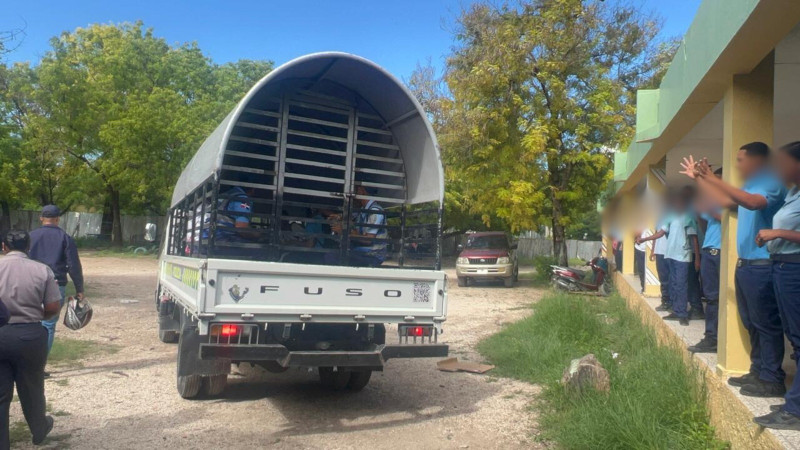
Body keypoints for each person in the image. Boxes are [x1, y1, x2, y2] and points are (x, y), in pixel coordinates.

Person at [682, 142, 786, 398]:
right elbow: (724, 203)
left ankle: (772, 378)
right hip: (746, 265)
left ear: (758, 161)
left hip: (763, 265)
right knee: (751, 322)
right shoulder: (749, 186)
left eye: (741, 160)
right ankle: (758, 370)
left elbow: (752, 203)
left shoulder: (770, 182)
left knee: (765, 324)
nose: (738, 165)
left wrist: (711, 178)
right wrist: (701, 180)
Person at [752, 142, 800, 429]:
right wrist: (771, 237)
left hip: (795, 269)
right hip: (782, 265)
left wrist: (779, 231)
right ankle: (794, 402)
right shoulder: (793, 194)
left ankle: (795, 411)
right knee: (794, 338)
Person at [0, 230, 60, 448]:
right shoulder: (42, 270)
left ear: (4, 247)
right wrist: (35, 314)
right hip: (30, 335)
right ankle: (39, 428)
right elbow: (53, 307)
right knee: (33, 386)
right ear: (28, 247)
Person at [28, 205, 84, 357]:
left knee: (29, 322)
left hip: (31, 285)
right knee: (48, 324)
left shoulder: (31, 236)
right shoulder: (65, 238)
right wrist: (80, 289)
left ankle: (28, 362)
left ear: (41, 218)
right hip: (55, 285)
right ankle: (40, 365)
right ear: (58, 219)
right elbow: (73, 266)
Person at [638, 190, 700, 326]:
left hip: (683, 257)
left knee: (682, 285)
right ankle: (676, 311)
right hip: (670, 255)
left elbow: (694, 239)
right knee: (674, 284)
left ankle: (682, 314)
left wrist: (697, 259)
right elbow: (660, 233)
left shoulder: (688, 217)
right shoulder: (670, 217)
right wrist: (644, 239)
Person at [689, 169, 723, 354]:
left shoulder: (730, 200)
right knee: (711, 297)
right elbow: (706, 223)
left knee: (718, 298)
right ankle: (711, 337)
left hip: (721, 251)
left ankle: (716, 338)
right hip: (709, 249)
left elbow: (723, 217)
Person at [327, 186, 387, 267]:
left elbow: (368, 240)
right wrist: (339, 216)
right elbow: (351, 216)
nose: (354, 193)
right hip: (362, 251)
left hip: (372, 254)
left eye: (356, 189)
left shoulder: (375, 211)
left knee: (332, 256)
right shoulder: (363, 210)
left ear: (362, 191)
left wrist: (343, 232)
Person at [650, 215, 671, 312]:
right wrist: (652, 250)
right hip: (659, 252)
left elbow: (661, 233)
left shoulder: (671, 217)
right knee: (662, 278)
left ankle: (670, 302)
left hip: (668, 252)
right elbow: (656, 233)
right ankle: (665, 301)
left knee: (670, 279)